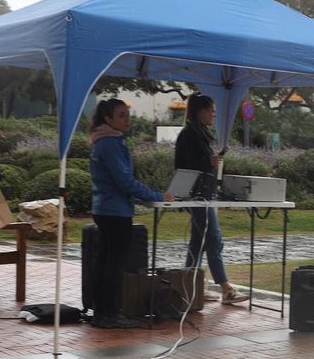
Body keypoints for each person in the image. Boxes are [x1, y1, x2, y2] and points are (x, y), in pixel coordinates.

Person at [89, 99, 172, 328]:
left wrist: (143, 197)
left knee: (105, 263)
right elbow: (124, 180)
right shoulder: (111, 144)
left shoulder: (101, 142)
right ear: (108, 119)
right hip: (115, 212)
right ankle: (110, 314)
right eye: (121, 116)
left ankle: (102, 312)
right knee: (113, 265)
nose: (127, 120)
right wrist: (156, 196)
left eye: (127, 115)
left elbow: (115, 182)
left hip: (105, 208)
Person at [173, 94, 247, 305]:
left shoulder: (198, 133)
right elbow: (183, 164)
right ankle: (225, 288)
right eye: (211, 110)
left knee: (198, 241)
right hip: (196, 195)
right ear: (200, 111)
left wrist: (210, 161)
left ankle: (191, 285)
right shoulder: (190, 134)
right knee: (213, 238)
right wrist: (209, 161)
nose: (214, 114)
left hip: (201, 194)